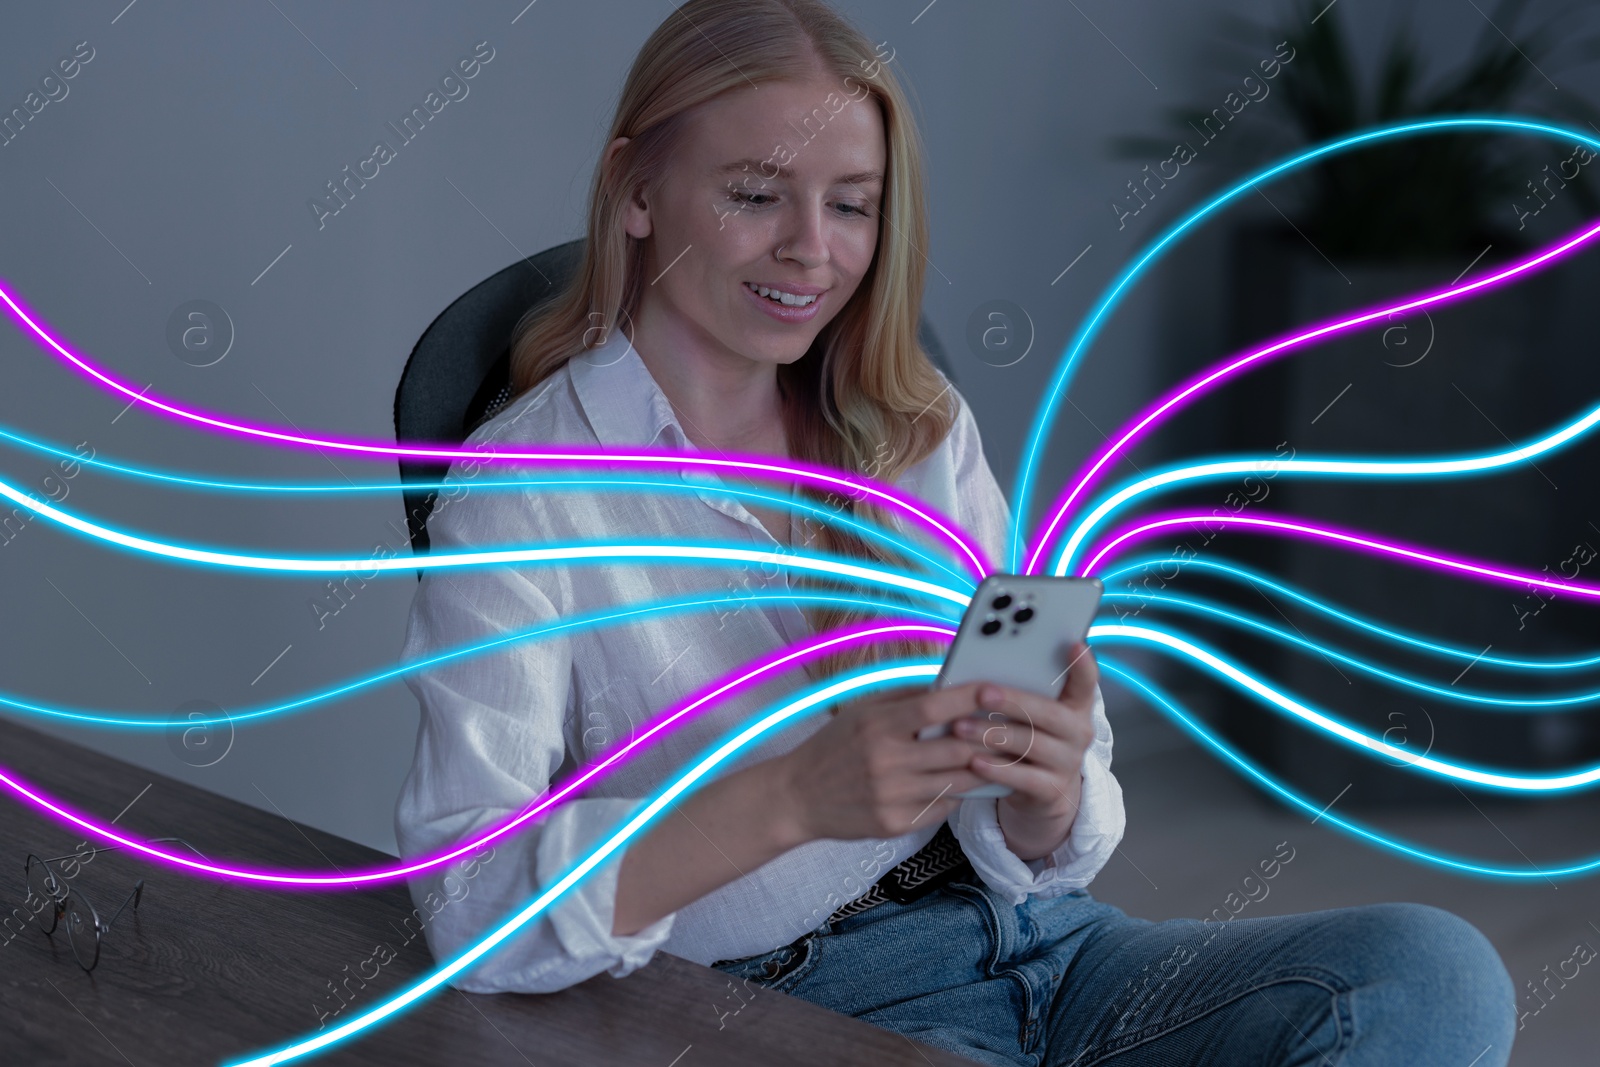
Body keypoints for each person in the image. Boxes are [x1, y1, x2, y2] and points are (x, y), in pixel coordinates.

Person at [394, 2, 1515, 1063]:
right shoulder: (522, 493)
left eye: (852, 203)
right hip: (778, 997)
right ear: (634, 189)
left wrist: (1049, 790)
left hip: (1039, 945)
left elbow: (1050, 825)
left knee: (1431, 973)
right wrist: (787, 797)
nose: (811, 251)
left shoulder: (913, 424)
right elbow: (468, 901)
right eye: (754, 194)